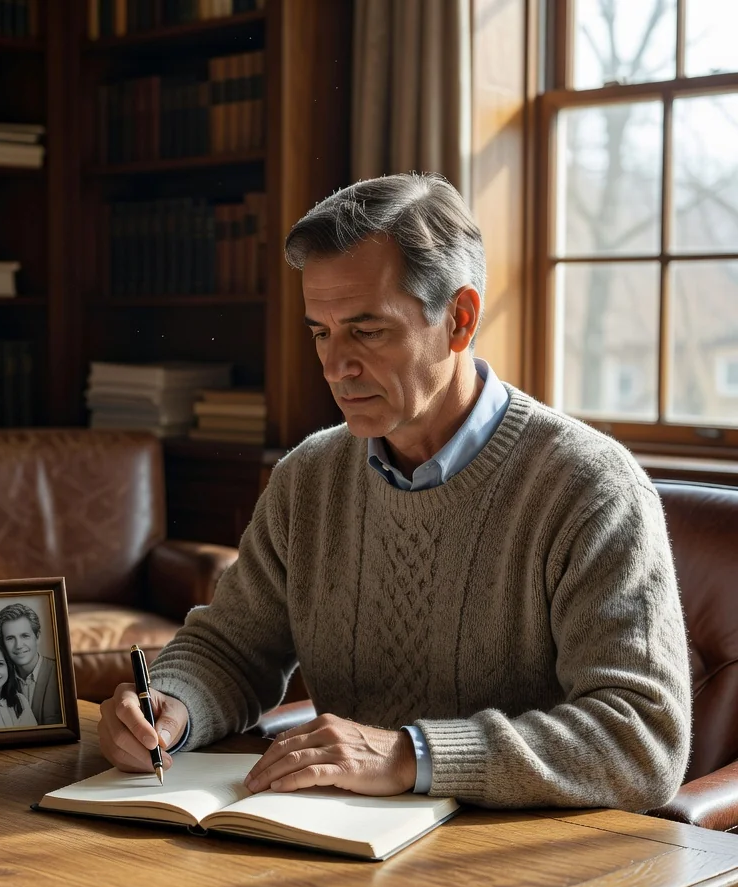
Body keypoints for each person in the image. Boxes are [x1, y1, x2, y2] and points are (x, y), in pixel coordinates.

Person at [97, 172, 691, 812]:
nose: (335, 367)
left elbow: (642, 739)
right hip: (336, 840)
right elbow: (233, 649)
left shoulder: (589, 488)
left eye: (368, 330)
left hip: (522, 859)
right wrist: (171, 705)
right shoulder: (310, 477)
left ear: (459, 319)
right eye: (321, 333)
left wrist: (412, 755)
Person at [0, 603, 60, 725]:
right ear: (2, 643)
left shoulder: (60, 673)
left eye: (25, 636)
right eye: (10, 638)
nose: (18, 645)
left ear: (38, 637)